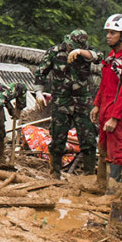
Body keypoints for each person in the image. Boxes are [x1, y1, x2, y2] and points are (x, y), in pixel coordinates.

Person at [35, 29, 101, 178]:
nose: (71, 48)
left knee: (88, 140)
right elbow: (41, 72)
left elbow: (99, 58)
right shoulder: (55, 52)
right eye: (71, 46)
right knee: (58, 138)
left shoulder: (87, 51)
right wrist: (39, 91)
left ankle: (89, 175)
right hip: (61, 100)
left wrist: (81, 52)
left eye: (75, 47)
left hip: (82, 101)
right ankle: (55, 174)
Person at [91, 14, 122, 192]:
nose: (108, 36)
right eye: (108, 32)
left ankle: (114, 191)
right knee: (103, 147)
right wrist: (97, 105)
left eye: (113, 32)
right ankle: (101, 184)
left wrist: (115, 117)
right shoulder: (112, 58)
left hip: (119, 114)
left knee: (118, 151)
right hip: (105, 108)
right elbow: (104, 84)